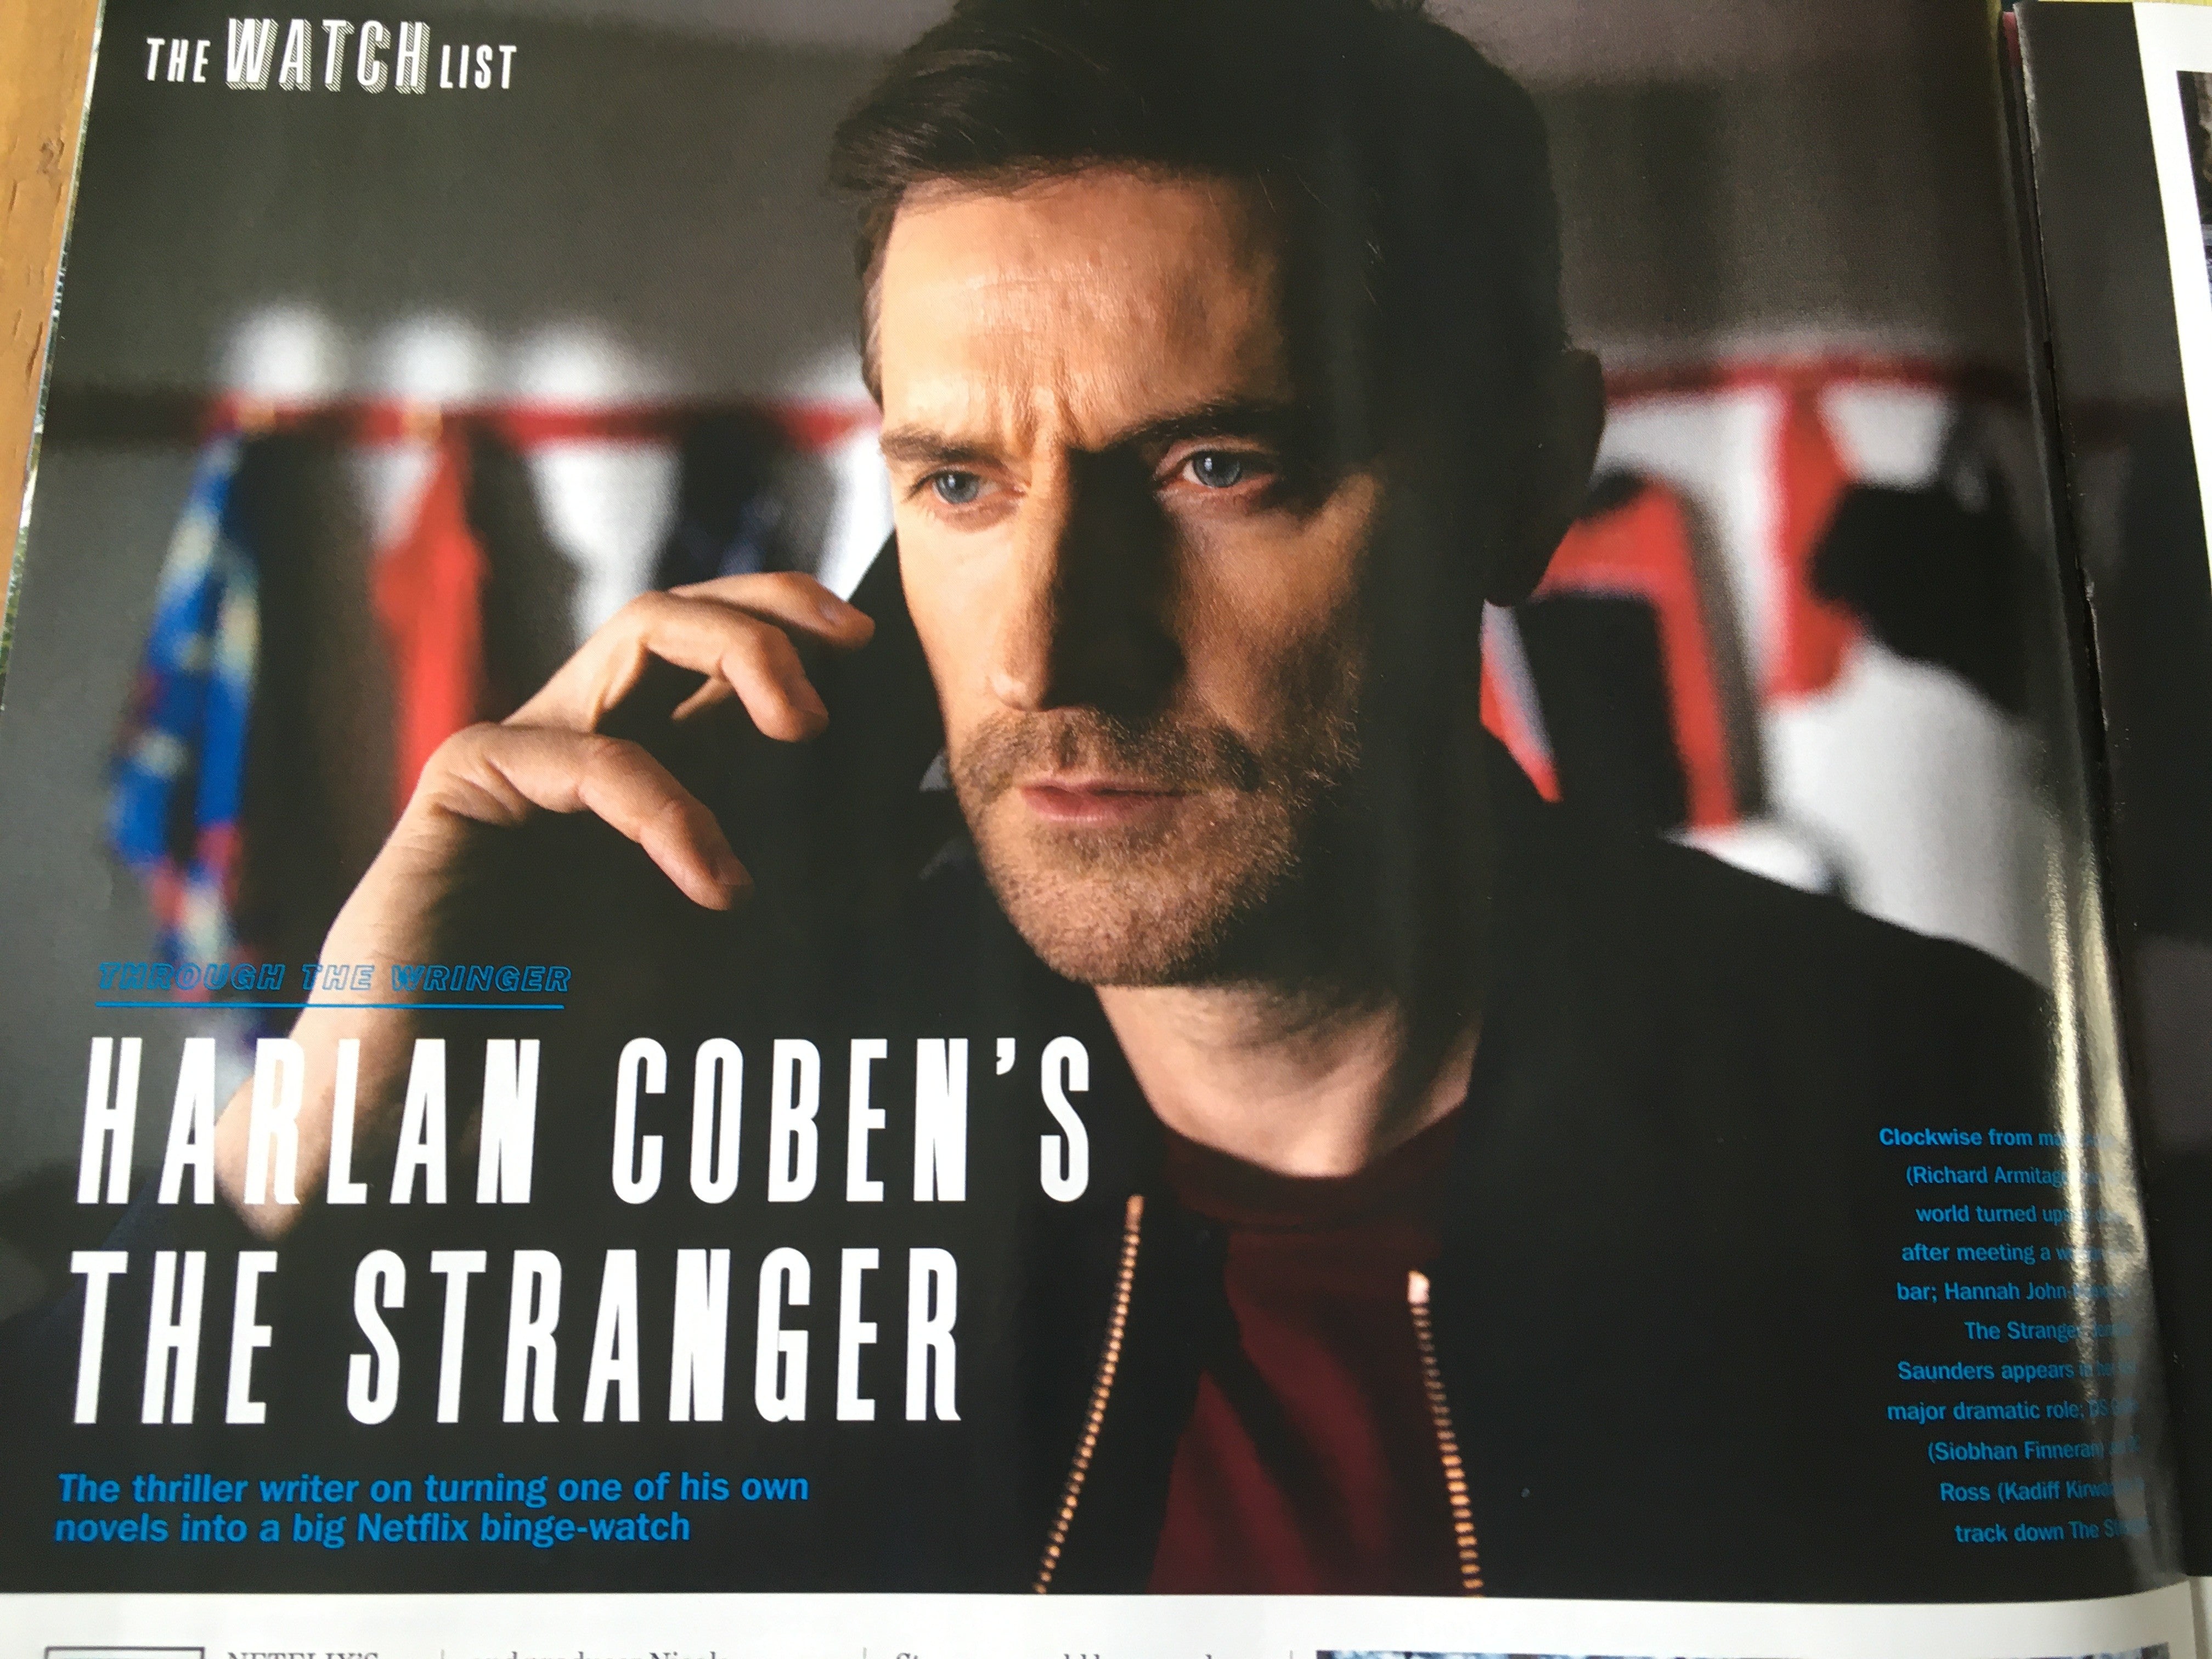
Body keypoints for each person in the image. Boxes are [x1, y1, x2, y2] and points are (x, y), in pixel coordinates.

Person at [5, 0, 2136, 1605]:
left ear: (1523, 477)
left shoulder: (1947, 1113)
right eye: (958, 482)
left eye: (1214, 465)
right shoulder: (708, 1159)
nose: (1043, 655)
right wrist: (332, 1172)